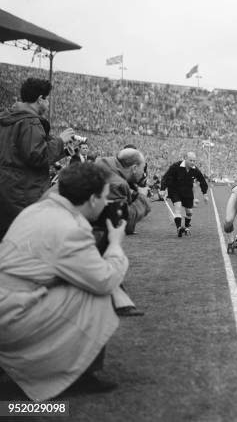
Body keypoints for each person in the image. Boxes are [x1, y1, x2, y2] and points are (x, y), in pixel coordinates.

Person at [0, 162, 128, 401]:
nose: (106, 203)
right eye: (104, 197)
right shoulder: (70, 229)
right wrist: (115, 244)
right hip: (12, 317)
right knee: (99, 294)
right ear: (92, 199)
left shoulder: (36, 210)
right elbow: (105, 280)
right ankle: (79, 374)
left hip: (8, 301)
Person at [0, 77, 74, 240]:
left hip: (7, 192)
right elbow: (37, 156)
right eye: (47, 100)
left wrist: (63, 151)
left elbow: (21, 153)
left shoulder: (7, 119)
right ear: (40, 99)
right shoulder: (30, 122)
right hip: (24, 192)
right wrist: (60, 140)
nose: (48, 105)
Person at [95, 148, 151, 316]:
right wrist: (142, 198)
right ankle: (109, 291)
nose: (144, 172)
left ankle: (116, 295)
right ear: (134, 168)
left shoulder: (104, 166)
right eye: (143, 168)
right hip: (67, 228)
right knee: (109, 241)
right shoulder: (115, 182)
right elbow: (122, 221)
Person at [160, 152, 209, 237]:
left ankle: (186, 227)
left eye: (194, 161)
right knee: (178, 207)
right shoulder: (175, 166)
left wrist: (205, 194)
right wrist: (162, 189)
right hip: (175, 190)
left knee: (189, 212)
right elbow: (166, 177)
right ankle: (179, 228)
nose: (193, 162)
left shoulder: (195, 169)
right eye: (191, 160)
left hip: (187, 192)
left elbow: (202, 181)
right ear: (185, 159)